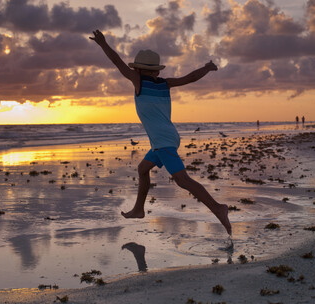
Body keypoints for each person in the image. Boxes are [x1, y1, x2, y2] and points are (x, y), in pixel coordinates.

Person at [90, 29, 231, 235]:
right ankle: (139, 209)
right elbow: (190, 77)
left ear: (137, 70)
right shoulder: (165, 83)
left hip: (164, 139)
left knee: (183, 180)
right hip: (166, 137)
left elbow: (117, 61)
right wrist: (207, 67)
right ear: (156, 71)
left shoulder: (137, 81)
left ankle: (218, 208)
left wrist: (103, 43)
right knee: (142, 169)